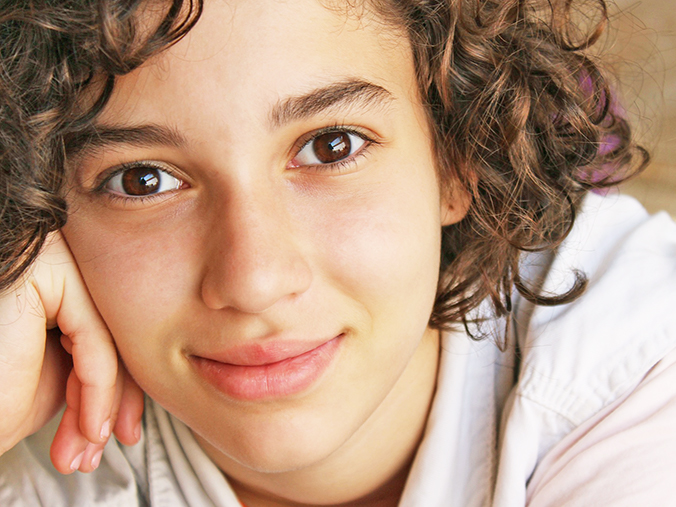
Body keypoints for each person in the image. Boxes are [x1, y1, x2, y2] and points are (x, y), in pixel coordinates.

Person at [1, 0, 675, 505]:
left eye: (332, 146)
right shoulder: (28, 436)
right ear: (43, 208)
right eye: (142, 180)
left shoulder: (634, 365)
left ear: (458, 155)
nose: (255, 280)